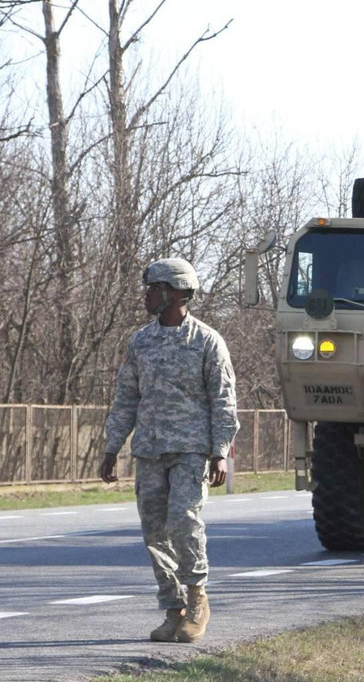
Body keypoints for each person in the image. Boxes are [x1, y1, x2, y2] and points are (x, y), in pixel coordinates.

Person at [99, 258, 239, 644]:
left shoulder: (207, 341)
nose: (146, 296)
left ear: (176, 293)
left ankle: (197, 599)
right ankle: (172, 609)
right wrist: (113, 446)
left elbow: (223, 400)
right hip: (149, 450)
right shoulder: (140, 341)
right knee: (154, 533)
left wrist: (220, 450)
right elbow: (126, 396)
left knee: (183, 521)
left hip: (191, 450)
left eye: (152, 289)